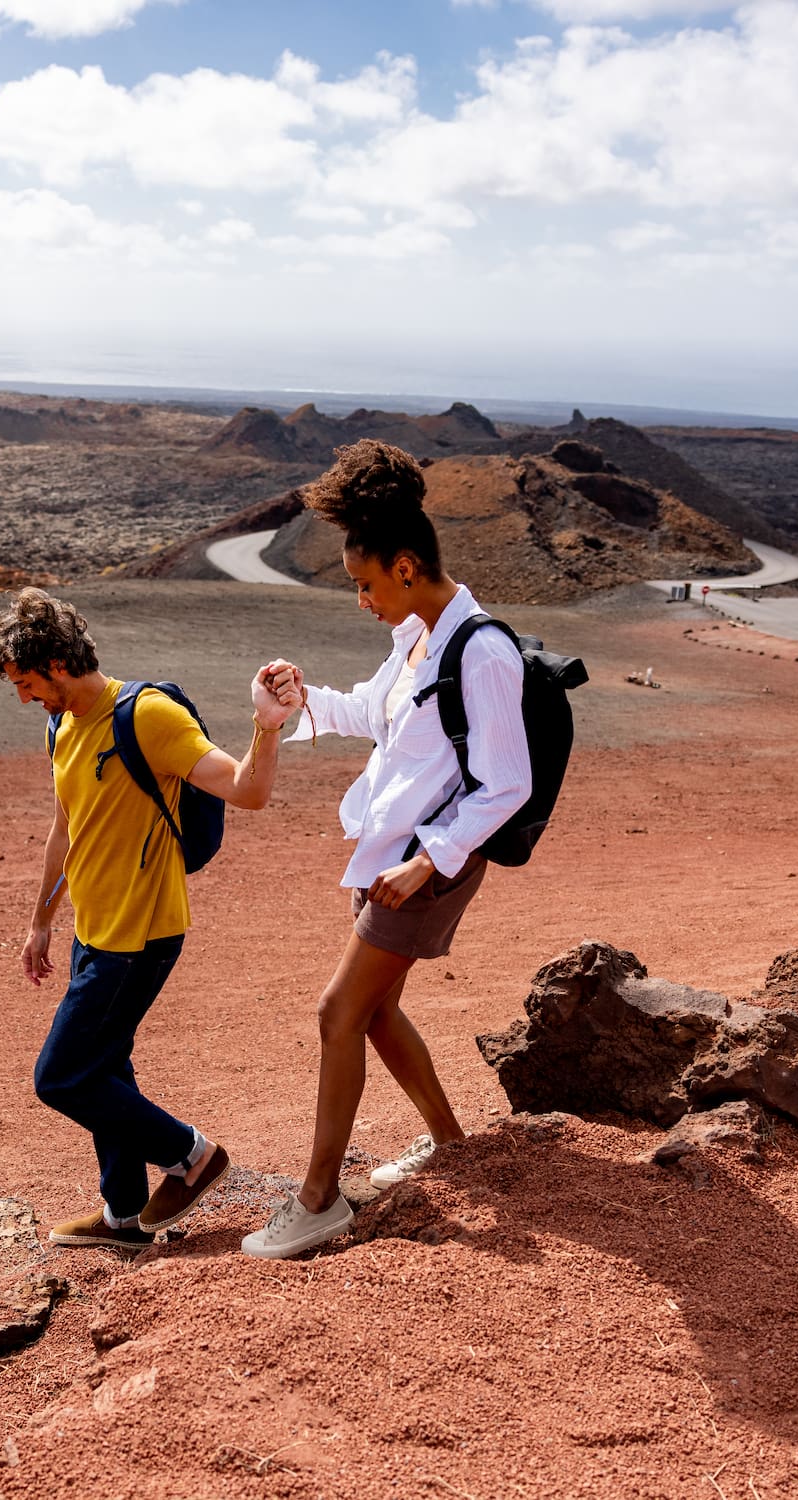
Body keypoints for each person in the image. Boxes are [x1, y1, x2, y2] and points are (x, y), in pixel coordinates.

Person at [241, 440, 532, 1261]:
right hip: (391, 857)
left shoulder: (481, 649)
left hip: (422, 869)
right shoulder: (416, 637)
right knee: (374, 1014)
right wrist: (301, 702)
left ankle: (318, 1201)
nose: (361, 599)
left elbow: (506, 784)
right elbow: (377, 717)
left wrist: (430, 859)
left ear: (406, 567)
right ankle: (450, 1141)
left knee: (340, 1010)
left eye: (365, 583)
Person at [0, 588, 302, 1251]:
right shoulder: (61, 724)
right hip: (94, 930)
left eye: (26, 683)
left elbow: (249, 790)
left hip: (144, 934)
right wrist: (42, 918)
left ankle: (191, 1156)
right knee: (106, 1065)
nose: (23, 698)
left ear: (56, 663)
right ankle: (122, 1217)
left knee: (62, 1076)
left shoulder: (148, 716)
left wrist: (266, 727)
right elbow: (67, 825)